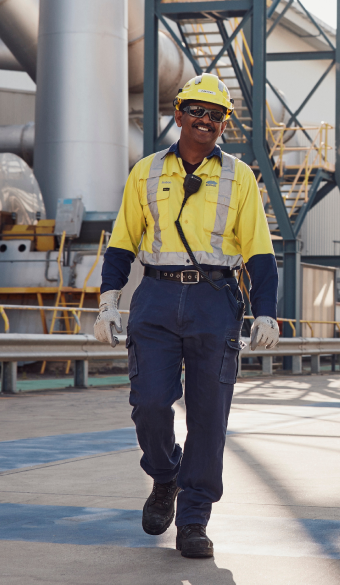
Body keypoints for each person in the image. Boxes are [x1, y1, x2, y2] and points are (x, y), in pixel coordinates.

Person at [93, 73, 281, 559]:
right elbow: (121, 244)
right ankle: (164, 475)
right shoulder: (146, 173)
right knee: (150, 404)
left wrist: (266, 314)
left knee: (209, 419)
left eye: (216, 115)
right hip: (155, 296)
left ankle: (194, 520)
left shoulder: (240, 177)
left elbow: (260, 254)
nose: (207, 121)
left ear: (224, 125)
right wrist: (109, 300)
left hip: (215, 302)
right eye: (198, 112)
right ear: (178, 116)